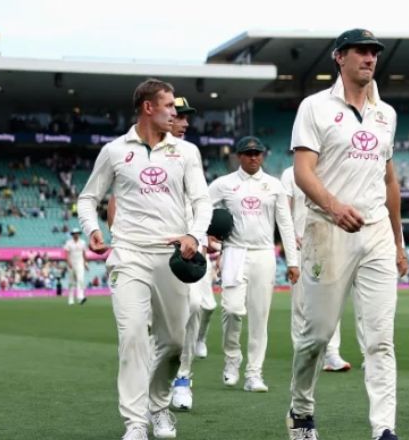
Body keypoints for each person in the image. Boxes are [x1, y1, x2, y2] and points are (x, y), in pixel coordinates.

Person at [287, 28, 408, 440]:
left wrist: (398, 242)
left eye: (374, 52)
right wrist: (335, 207)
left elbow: (389, 181)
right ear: (339, 57)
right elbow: (303, 172)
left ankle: (384, 427)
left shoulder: (386, 114)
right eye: (361, 51)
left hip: (375, 232)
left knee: (381, 338)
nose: (370, 58)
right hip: (327, 229)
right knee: (317, 335)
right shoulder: (315, 107)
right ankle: (301, 409)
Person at [78, 78, 213, 440]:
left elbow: (202, 201)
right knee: (133, 336)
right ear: (148, 107)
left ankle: (159, 407)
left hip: (172, 257)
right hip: (128, 255)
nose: (175, 112)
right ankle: (135, 423)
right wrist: (92, 229)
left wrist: (194, 235)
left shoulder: (187, 152)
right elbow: (87, 198)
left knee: (174, 344)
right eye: (168, 105)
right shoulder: (114, 151)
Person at [212, 136, 299, 392]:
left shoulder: (274, 185)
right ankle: (232, 358)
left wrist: (292, 261)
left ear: (263, 156)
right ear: (239, 156)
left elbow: (285, 224)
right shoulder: (224, 184)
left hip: (263, 253)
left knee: (260, 317)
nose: (253, 157)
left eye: (257, 153)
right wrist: (205, 235)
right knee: (231, 309)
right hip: (234, 252)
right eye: (248, 153)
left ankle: (254, 374)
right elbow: (200, 206)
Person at [170, 96, 220, 412]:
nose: (185, 122)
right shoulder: (137, 153)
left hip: (190, 246)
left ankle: (183, 379)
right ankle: (156, 378)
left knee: (194, 306)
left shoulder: (189, 152)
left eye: (186, 117)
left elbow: (201, 201)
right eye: (179, 116)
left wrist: (203, 235)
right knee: (154, 323)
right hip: (155, 246)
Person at [282, 163, 354, 373]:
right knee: (300, 302)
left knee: (332, 299)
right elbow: (284, 209)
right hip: (300, 243)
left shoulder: (333, 169)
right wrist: (289, 236)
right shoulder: (290, 173)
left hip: (328, 241)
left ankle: (331, 353)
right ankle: (301, 352)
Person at [64, 228, 88, 305]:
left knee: (80, 280)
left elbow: (84, 254)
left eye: (77, 233)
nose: (76, 234)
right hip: (71, 264)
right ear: (72, 234)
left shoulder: (83, 242)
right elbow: (66, 254)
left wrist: (85, 263)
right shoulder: (69, 243)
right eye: (74, 233)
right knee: (71, 282)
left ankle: (80, 297)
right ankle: (70, 299)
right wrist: (69, 262)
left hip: (80, 263)